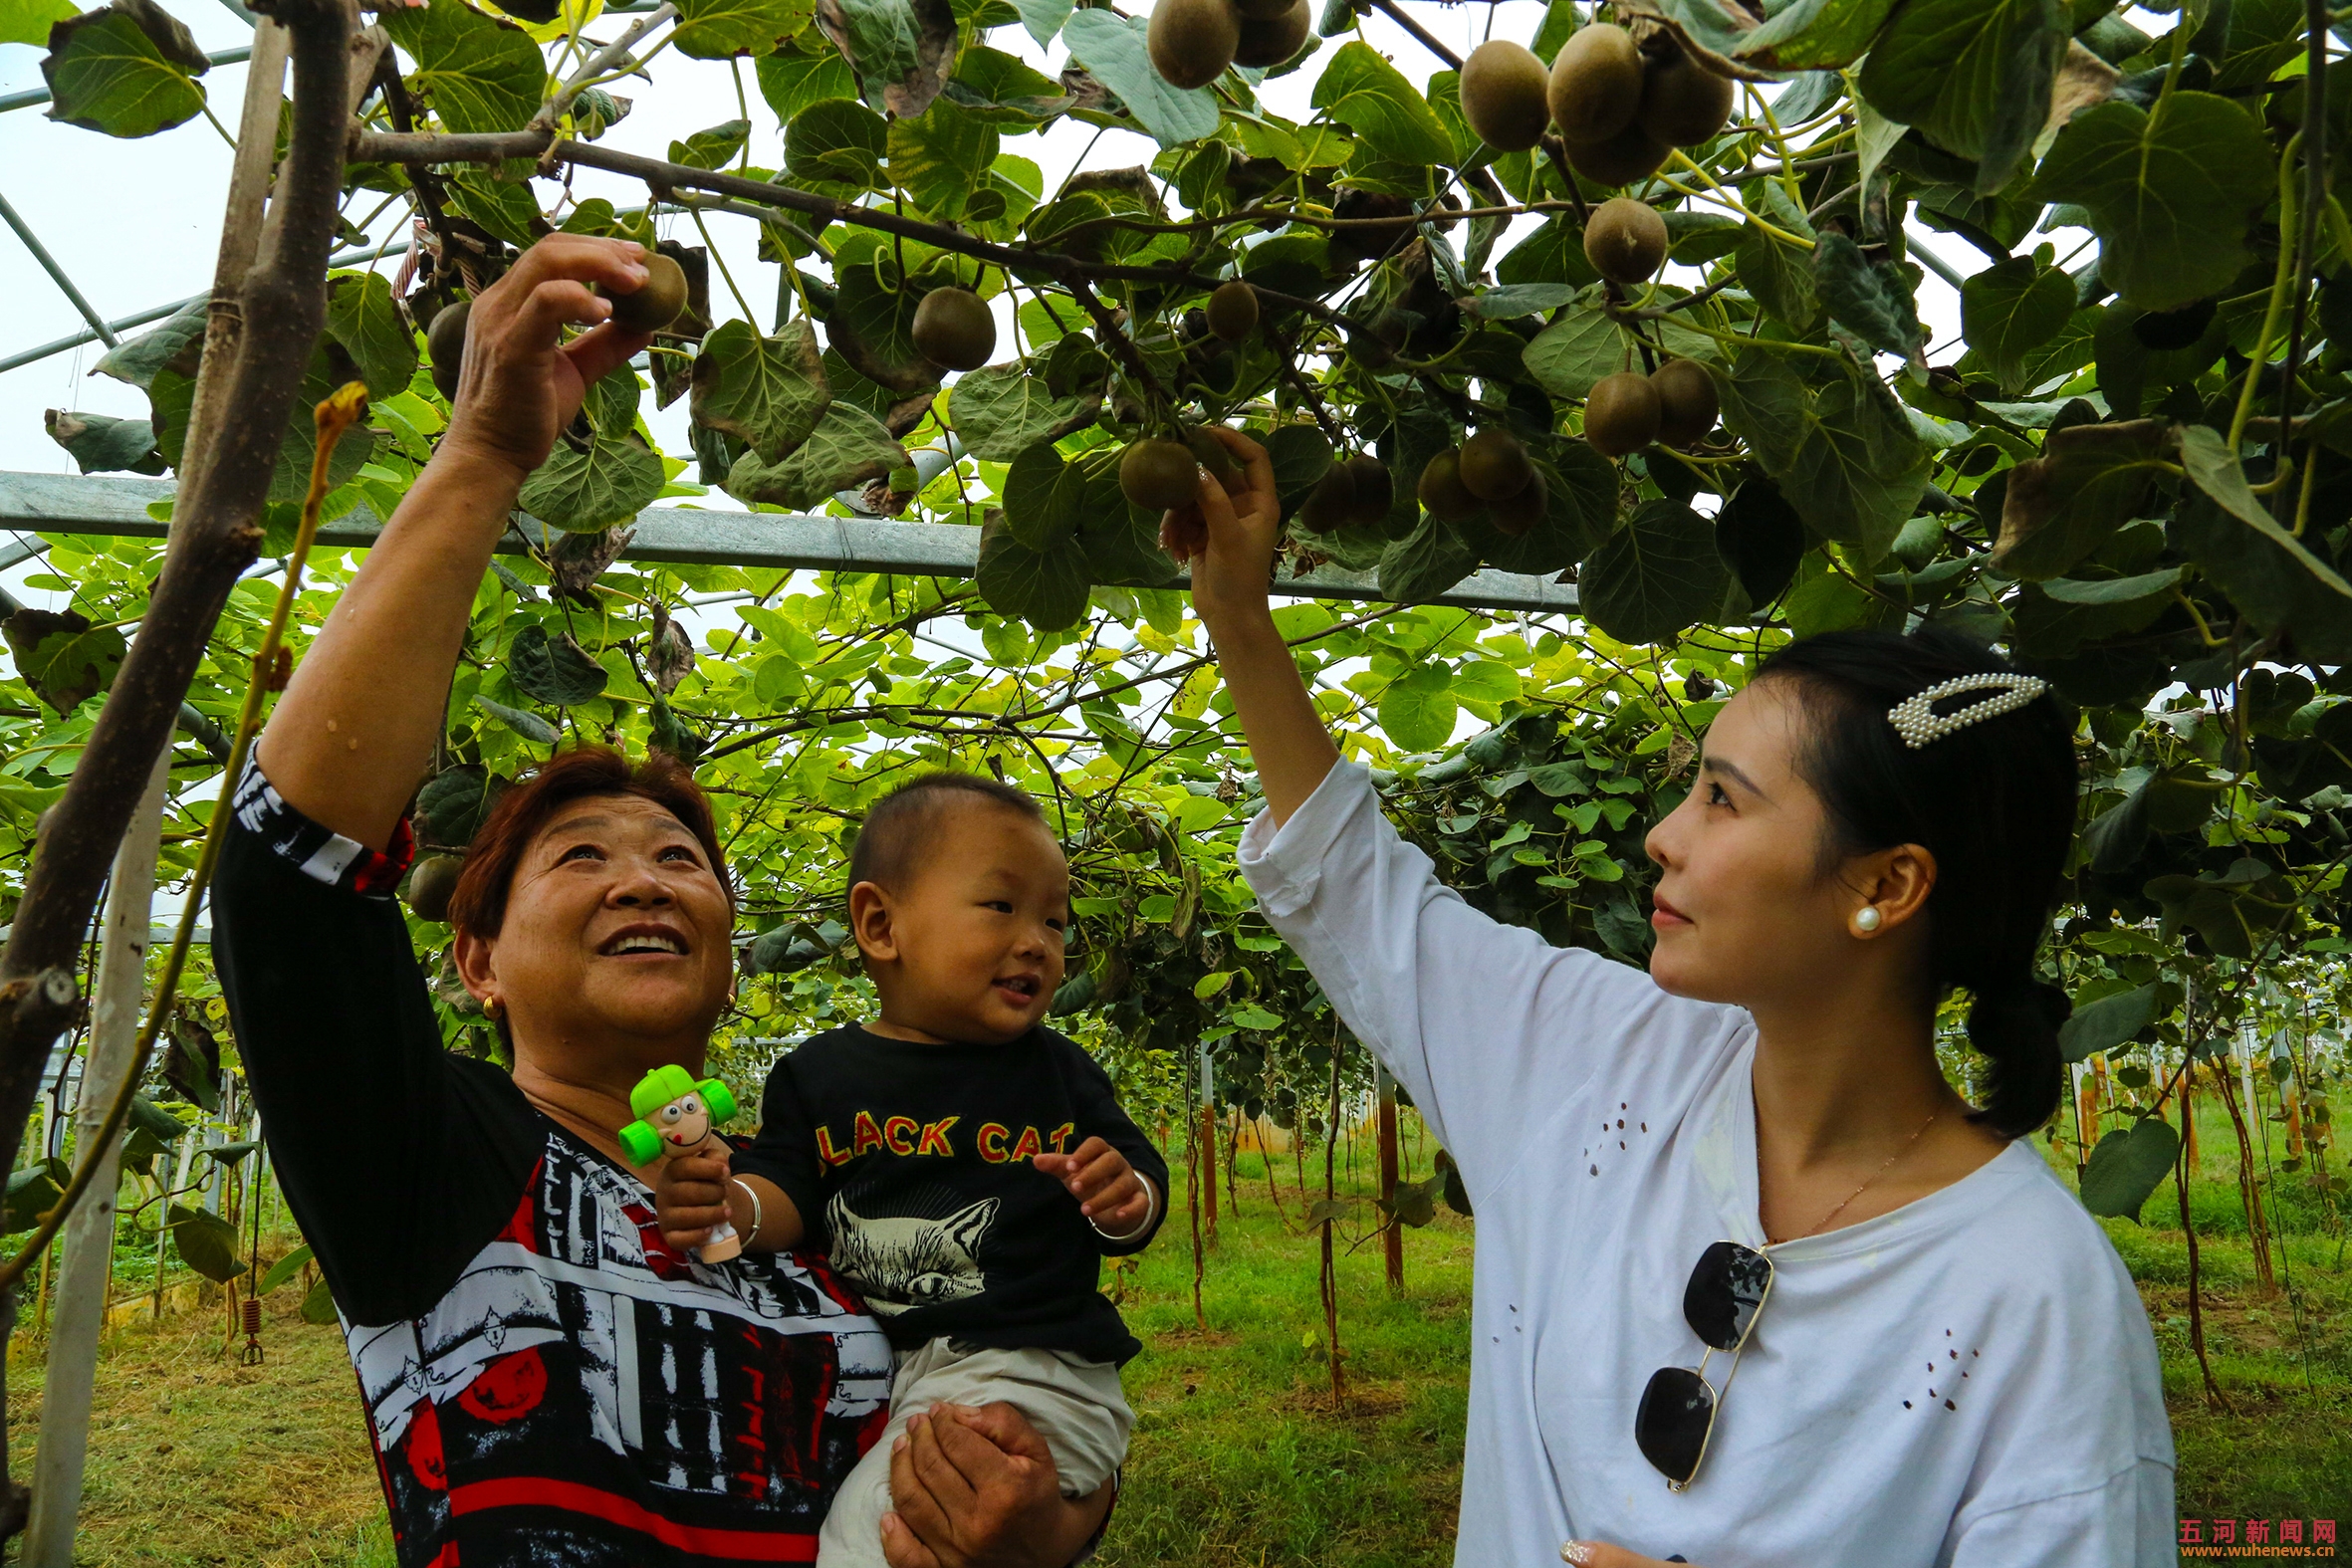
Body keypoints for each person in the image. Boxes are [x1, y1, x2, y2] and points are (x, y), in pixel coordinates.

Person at [213, 234, 1115, 1567]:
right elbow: (288, 873)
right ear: (478, 961)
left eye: (682, 860)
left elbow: (1006, 1407)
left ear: (729, 954)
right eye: (579, 857)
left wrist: (1034, 1520)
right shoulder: (433, 1160)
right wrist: (482, 457)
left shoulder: (806, 1189)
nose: (643, 874)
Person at [1160, 428, 2175, 1567]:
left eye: (1722, 802)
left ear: (1886, 887)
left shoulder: (2034, 1298)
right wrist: (1238, 621)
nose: (1662, 837)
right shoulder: (1597, 1060)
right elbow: (1358, 896)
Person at [652, 772, 1170, 1568]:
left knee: (869, 1543)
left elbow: (1136, 1179)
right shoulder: (817, 1077)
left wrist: (1122, 1198)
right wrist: (730, 1204)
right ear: (880, 923)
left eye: (1055, 920)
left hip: (1031, 1370)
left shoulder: (1058, 1072)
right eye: (1001, 906)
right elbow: (787, 1187)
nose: (1037, 938)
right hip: (914, 1373)